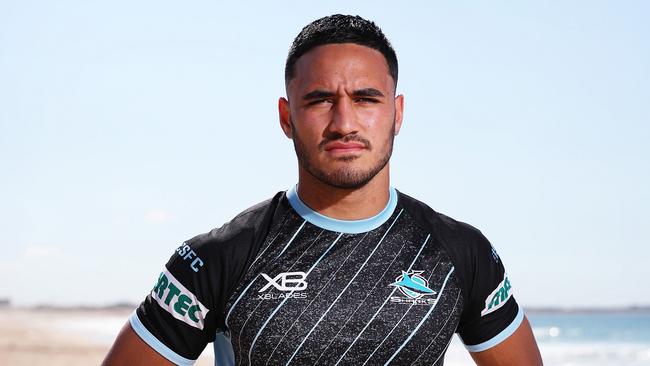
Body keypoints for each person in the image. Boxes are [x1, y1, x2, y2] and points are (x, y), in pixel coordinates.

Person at [103, 14, 543, 366]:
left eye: (367, 99)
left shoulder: (459, 252)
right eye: (319, 100)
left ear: (398, 113)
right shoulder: (219, 257)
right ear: (287, 117)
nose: (344, 122)